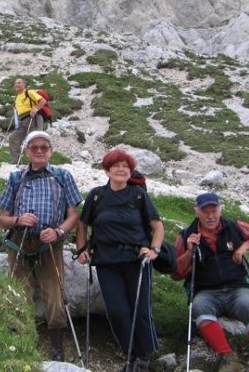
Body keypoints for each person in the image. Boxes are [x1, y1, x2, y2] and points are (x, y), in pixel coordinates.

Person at [75, 148, 165, 372]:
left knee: (140, 309)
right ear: (107, 170)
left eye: (126, 166)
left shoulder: (138, 195)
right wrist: (82, 249)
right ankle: (130, 352)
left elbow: (157, 225)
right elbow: (81, 224)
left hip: (136, 259)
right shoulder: (96, 196)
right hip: (106, 261)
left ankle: (142, 355)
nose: (121, 169)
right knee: (117, 310)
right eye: (116, 166)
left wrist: (155, 249)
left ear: (130, 170)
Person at [172, 192, 249, 372]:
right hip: (206, 291)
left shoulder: (235, 227)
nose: (210, 216)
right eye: (205, 211)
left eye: (213, 210)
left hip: (237, 287)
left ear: (220, 209)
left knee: (247, 305)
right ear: (197, 212)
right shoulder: (186, 235)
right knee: (199, 306)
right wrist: (190, 252)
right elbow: (176, 273)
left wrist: (245, 246)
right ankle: (227, 356)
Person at [0, 131, 82, 361]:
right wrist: (17, 220)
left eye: (44, 147)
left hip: (50, 244)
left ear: (51, 151)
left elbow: (73, 215)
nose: (39, 151)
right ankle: (23, 341)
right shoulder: (16, 178)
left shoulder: (63, 176)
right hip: (19, 242)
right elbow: (2, 218)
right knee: (20, 292)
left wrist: (58, 231)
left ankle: (57, 348)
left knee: (54, 294)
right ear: (26, 151)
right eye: (34, 147)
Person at [8, 78, 47, 164]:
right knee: (13, 138)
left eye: (19, 83)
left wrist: (36, 109)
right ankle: (16, 161)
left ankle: (40, 163)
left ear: (24, 85)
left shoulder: (29, 92)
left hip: (33, 119)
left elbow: (43, 101)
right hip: (22, 121)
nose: (16, 84)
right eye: (15, 83)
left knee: (35, 141)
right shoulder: (17, 97)